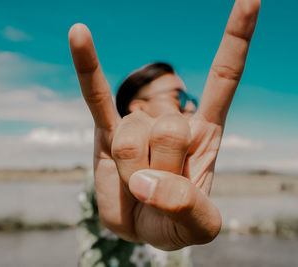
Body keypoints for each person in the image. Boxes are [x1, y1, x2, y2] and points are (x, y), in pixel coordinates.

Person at [69, 0, 260, 265]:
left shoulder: (187, 170)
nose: (190, 105)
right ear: (138, 107)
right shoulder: (106, 168)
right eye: (178, 97)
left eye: (189, 96)